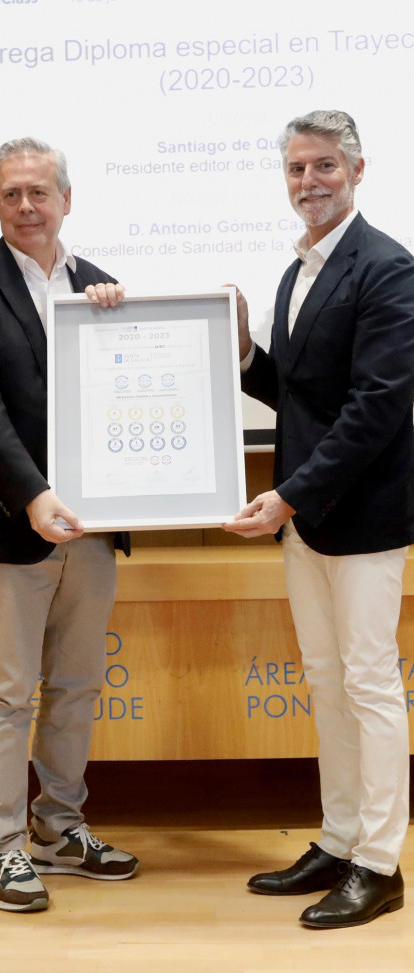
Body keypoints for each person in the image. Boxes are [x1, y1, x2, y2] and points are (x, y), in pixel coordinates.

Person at [0, 137, 138, 914]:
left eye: (38, 192)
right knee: (5, 693)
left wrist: (122, 328)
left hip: (90, 528)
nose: (25, 206)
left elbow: (123, 401)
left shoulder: (97, 286)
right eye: (11, 193)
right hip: (9, 524)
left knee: (78, 686)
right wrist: (31, 494)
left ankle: (58, 827)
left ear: (65, 199)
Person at [224, 110, 414, 929]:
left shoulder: (389, 268)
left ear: (357, 170)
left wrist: (290, 495)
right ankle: (337, 839)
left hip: (364, 516)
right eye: (297, 168)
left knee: (369, 685)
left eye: (324, 166)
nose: (309, 182)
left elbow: (375, 409)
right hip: (304, 517)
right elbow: (298, 397)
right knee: (325, 682)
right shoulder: (292, 271)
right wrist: (237, 353)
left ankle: (379, 861)